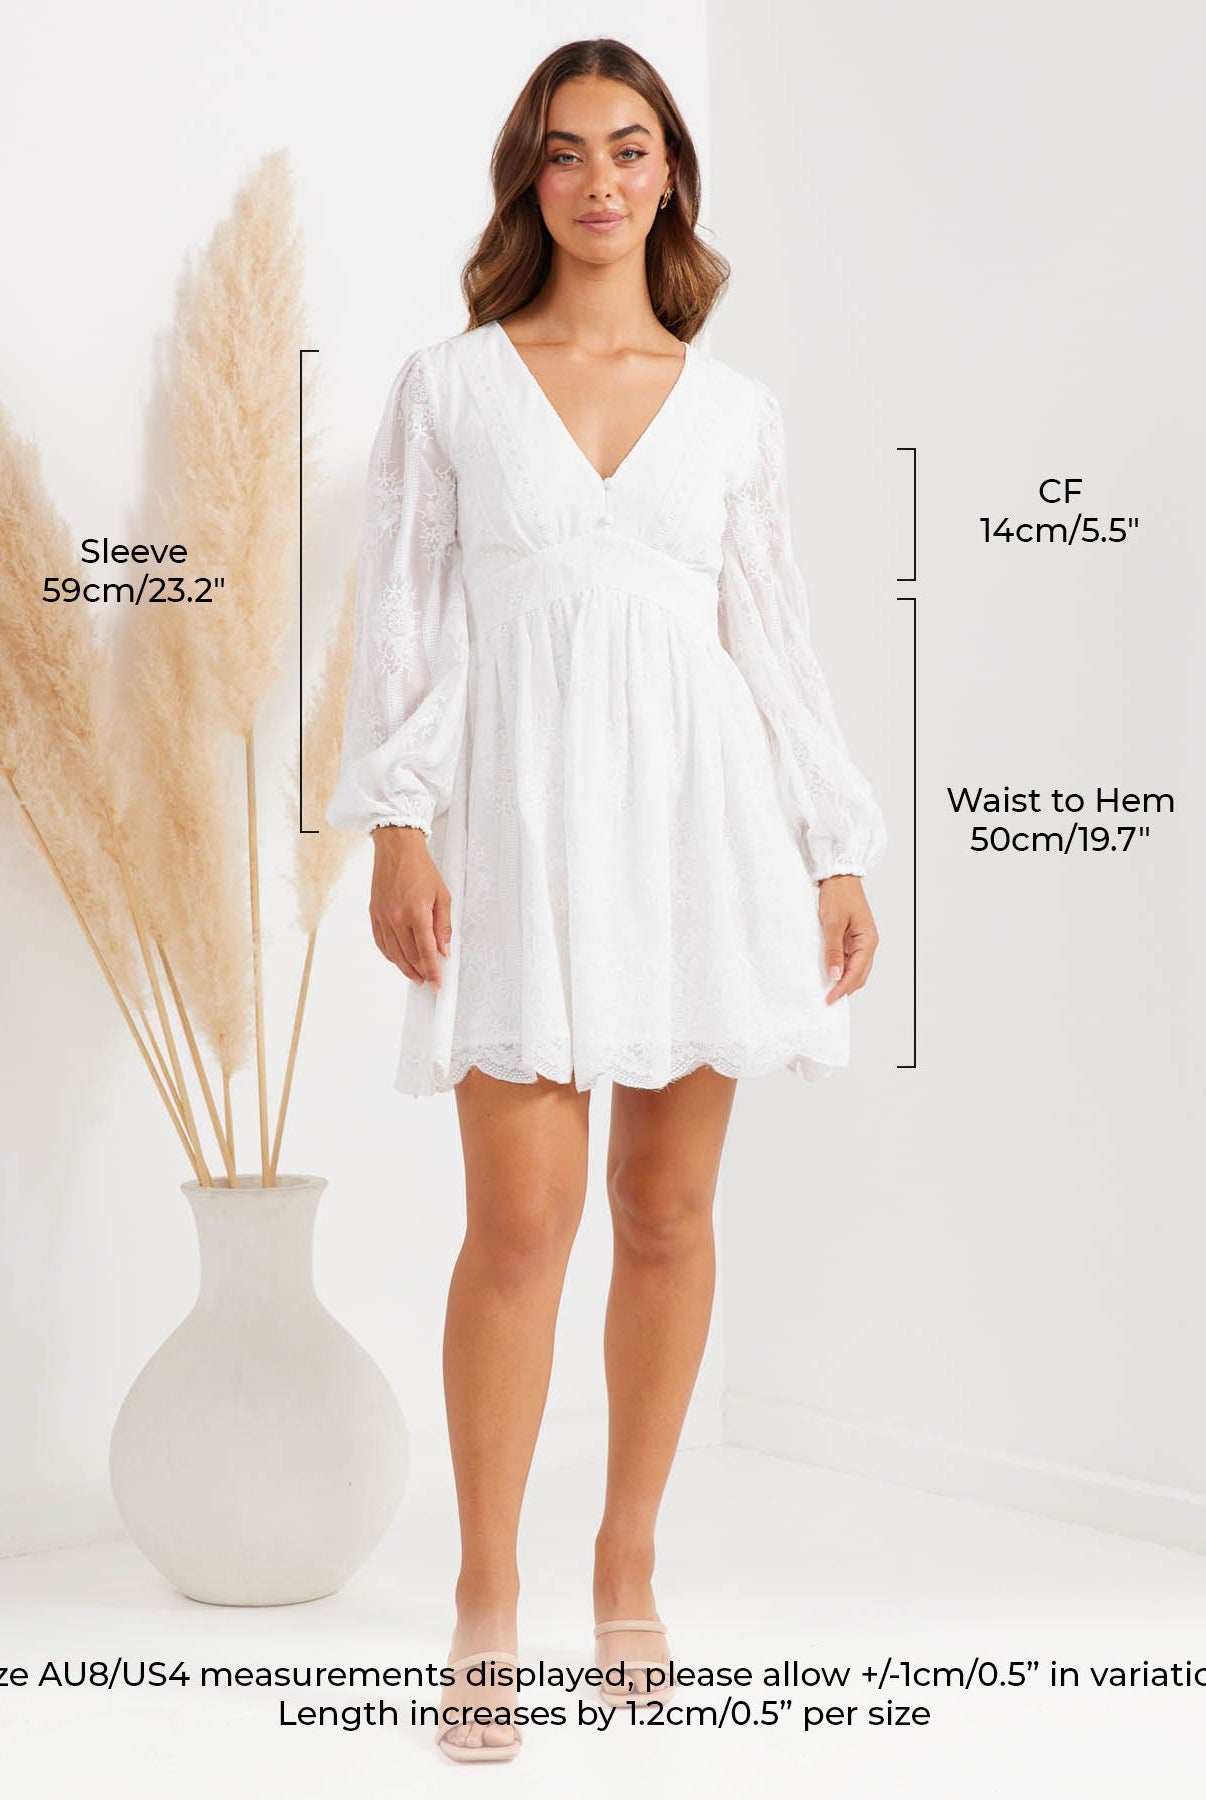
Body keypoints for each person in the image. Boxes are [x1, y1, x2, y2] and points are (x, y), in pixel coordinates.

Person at [327, 36, 887, 1764]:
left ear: (668, 176)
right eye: (564, 152)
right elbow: (402, 620)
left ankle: (626, 1561)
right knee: (518, 1225)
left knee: (665, 1211)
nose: (596, 180)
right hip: (513, 826)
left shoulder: (733, 409)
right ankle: (484, 1596)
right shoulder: (449, 386)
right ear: (529, 177)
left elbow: (771, 641)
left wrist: (832, 841)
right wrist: (394, 824)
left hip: (704, 831)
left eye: (627, 148)